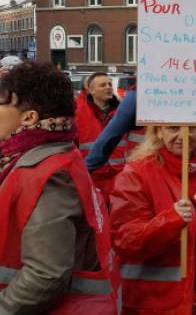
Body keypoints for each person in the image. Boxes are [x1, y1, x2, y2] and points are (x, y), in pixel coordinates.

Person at [0, 61, 118, 313]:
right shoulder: (54, 154)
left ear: (29, 117)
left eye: (2, 103)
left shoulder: (48, 173)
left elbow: (46, 275)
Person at [110, 125, 196, 314]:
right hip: (157, 306)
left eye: (192, 129)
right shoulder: (135, 174)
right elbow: (124, 240)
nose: (183, 135)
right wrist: (170, 221)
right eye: (173, 128)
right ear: (158, 131)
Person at [75, 72, 124, 200]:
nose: (108, 87)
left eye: (109, 84)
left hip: (121, 183)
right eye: (103, 85)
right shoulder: (78, 114)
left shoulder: (123, 113)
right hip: (91, 184)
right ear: (91, 90)